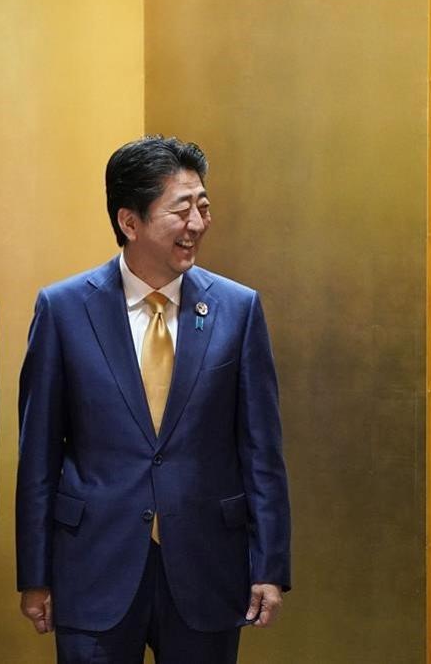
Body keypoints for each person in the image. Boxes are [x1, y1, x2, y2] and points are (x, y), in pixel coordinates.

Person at [15, 135, 291, 663]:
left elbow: (262, 451)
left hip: (207, 564)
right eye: (181, 209)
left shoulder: (238, 309)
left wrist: (269, 566)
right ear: (130, 221)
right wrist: (36, 574)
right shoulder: (64, 308)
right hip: (93, 563)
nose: (198, 223)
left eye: (203, 206)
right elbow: (39, 456)